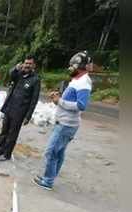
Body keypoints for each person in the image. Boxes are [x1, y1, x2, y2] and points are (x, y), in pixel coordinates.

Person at [33, 51, 92, 190]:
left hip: (66, 125)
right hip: (65, 123)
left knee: (51, 151)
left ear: (78, 66)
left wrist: (60, 101)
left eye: (71, 66)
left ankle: (48, 181)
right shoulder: (77, 80)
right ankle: (50, 177)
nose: (69, 68)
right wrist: (58, 99)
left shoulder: (84, 82)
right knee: (58, 152)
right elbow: (70, 100)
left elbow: (81, 105)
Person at [0, 55, 41, 161]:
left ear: (34, 65)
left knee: (12, 134)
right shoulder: (19, 74)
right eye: (26, 63)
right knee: (4, 130)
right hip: (9, 107)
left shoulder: (35, 80)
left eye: (29, 63)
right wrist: (16, 68)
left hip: (20, 112)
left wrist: (28, 116)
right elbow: (11, 74)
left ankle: (6, 154)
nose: (27, 65)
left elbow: (34, 100)